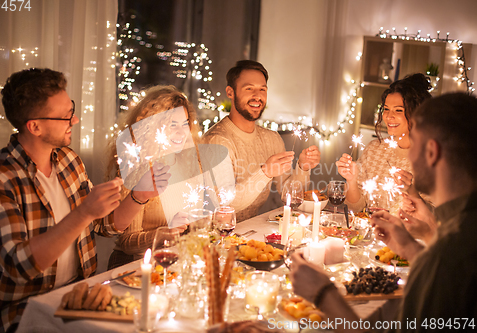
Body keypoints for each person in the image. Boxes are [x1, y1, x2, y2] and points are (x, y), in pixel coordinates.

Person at [0, 68, 169, 333]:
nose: (75, 120)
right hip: (24, 311)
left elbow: (105, 225)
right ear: (35, 126)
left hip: (81, 295)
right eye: (66, 116)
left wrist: (139, 196)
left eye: (73, 109)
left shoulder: (68, 160)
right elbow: (18, 265)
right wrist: (84, 213)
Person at [291, 93, 477, 332]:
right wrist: (410, 246)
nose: (409, 154)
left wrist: (324, 294)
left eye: (415, 144)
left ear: (432, 152)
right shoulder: (460, 228)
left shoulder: (452, 252)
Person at [106, 85, 227, 269]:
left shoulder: (190, 163)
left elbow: (196, 220)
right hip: (136, 267)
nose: (181, 132)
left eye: (185, 123)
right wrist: (164, 233)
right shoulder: (138, 170)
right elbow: (126, 243)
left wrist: (210, 215)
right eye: (172, 125)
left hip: (175, 262)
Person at [202, 60, 321, 222]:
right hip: (212, 235)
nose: (257, 96)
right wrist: (265, 173)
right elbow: (224, 203)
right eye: (249, 89)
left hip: (247, 233)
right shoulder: (216, 141)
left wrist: (303, 167)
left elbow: (289, 195)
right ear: (230, 92)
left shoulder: (272, 139)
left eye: (262, 89)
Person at [336, 73, 432, 216]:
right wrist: (351, 180)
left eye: (398, 110)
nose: (388, 116)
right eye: (386, 109)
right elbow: (355, 208)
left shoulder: (432, 160)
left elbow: (438, 219)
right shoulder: (374, 149)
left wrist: (413, 194)